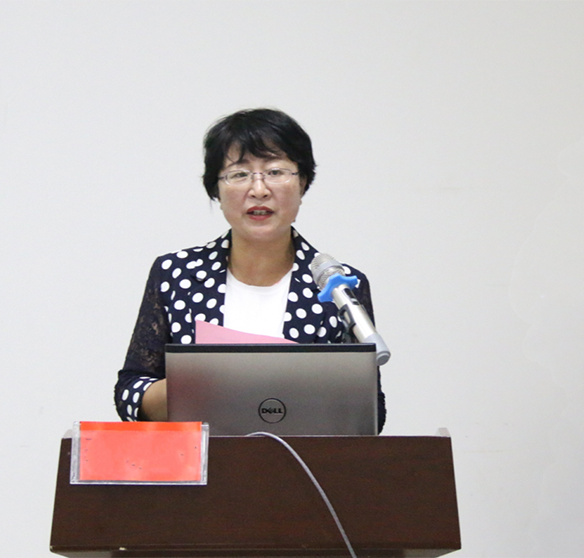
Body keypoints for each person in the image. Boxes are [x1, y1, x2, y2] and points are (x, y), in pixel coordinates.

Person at [114, 108, 386, 431]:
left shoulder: (338, 285)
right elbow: (130, 393)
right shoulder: (176, 275)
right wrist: (195, 388)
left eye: (275, 171)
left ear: (302, 183)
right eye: (239, 174)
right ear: (216, 190)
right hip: (202, 461)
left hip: (300, 462)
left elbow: (372, 413)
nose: (259, 190)